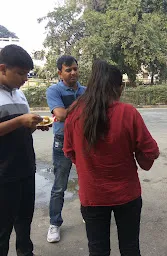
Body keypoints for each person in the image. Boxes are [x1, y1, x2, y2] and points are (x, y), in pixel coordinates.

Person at [63, 60, 159, 255]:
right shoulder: (128, 113)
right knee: (130, 247)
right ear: (119, 87)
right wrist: (139, 159)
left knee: (97, 250)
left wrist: (88, 165)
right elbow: (151, 151)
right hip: (127, 194)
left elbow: (69, 151)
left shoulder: (74, 112)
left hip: (92, 196)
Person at [0, 45, 49, 256]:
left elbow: (21, 131)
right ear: (2, 69)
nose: (24, 79)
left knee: (24, 220)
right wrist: (21, 120)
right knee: (3, 227)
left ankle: (25, 252)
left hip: (26, 168)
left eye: (27, 74)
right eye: (20, 73)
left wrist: (33, 126)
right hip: (3, 173)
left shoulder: (20, 95)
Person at [46, 55, 86, 243]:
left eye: (75, 69)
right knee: (59, 186)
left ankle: (90, 214)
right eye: (68, 70)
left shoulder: (85, 90)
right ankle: (54, 223)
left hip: (84, 141)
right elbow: (60, 115)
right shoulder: (54, 90)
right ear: (60, 72)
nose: (73, 73)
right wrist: (81, 103)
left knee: (87, 181)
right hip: (62, 141)